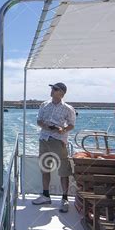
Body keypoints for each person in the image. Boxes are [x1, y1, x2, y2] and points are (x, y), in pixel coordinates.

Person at [32, 82, 76, 213]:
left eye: (55, 89)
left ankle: (64, 199)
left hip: (58, 140)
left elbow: (72, 125)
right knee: (45, 168)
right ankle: (46, 195)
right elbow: (38, 121)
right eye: (52, 88)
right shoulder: (44, 105)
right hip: (44, 139)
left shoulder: (68, 108)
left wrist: (63, 129)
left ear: (61, 93)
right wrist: (46, 127)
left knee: (63, 170)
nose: (52, 90)